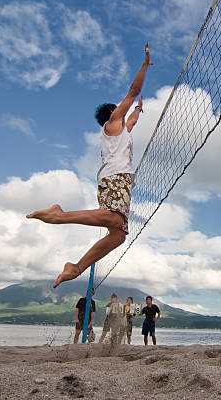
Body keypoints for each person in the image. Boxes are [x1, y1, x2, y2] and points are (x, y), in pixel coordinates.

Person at [27, 43, 152, 289]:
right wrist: (145, 65)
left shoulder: (120, 129)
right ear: (113, 112)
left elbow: (133, 120)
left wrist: (138, 109)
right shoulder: (113, 122)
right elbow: (133, 90)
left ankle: (76, 267)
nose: (124, 111)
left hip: (117, 178)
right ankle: (58, 215)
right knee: (114, 219)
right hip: (116, 177)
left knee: (117, 235)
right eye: (120, 109)